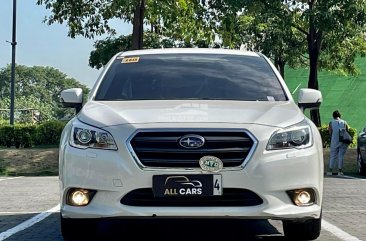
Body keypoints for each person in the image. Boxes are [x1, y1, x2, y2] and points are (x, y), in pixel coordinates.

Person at [327, 110, 349, 176]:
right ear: (340, 115)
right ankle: (340, 171)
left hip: (334, 140)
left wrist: (332, 137)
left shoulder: (331, 122)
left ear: (333, 116)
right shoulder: (344, 122)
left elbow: (330, 132)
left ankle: (330, 170)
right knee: (341, 156)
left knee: (333, 156)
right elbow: (347, 130)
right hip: (342, 141)